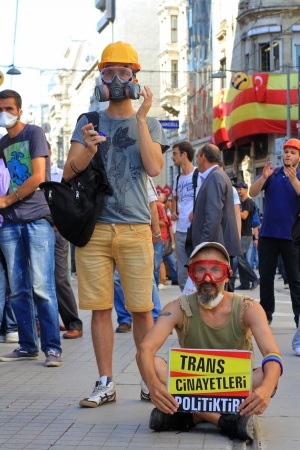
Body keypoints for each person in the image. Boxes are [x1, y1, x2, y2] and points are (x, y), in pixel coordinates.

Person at [63, 41, 169, 407]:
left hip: (136, 227)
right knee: (100, 308)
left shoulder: (151, 122)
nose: (117, 79)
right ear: (100, 78)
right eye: (109, 72)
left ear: (137, 77)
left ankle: (147, 379)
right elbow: (67, 171)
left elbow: (154, 168)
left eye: (124, 72)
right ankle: (105, 382)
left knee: (141, 308)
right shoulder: (88, 121)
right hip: (94, 230)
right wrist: (89, 150)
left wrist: (140, 118)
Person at [136, 242, 282, 441]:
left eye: (216, 270)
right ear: (191, 275)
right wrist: (153, 385)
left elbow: (273, 354)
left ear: (227, 274)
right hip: (192, 386)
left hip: (232, 388)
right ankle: (223, 421)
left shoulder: (248, 308)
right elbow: (145, 348)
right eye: (200, 271)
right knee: (154, 365)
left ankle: (192, 417)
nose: (207, 279)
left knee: (268, 375)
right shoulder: (177, 308)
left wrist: (265, 389)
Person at [0, 89, 62, 367]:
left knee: (42, 286)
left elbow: (38, 176)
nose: (5, 113)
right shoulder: (2, 144)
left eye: (10, 108)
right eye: (1, 109)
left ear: (20, 110)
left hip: (37, 218)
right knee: (17, 289)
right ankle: (27, 345)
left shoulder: (34, 133)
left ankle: (52, 348)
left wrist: (8, 199)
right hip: (10, 223)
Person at [249, 138, 300, 327]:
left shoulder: (299, 175)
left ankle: (299, 320)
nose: (288, 154)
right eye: (287, 151)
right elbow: (252, 193)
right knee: (267, 277)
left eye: (293, 152)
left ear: (299, 157)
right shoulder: (273, 173)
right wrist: (263, 177)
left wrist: (294, 179)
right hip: (268, 235)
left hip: (291, 238)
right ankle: (266, 316)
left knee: (295, 280)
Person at [192, 144, 241, 285]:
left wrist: (204, 245)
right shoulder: (218, 175)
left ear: (203, 157)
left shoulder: (215, 177)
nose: (196, 160)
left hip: (215, 245)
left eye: (197, 156)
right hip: (217, 244)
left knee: (216, 290)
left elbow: (213, 215)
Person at [48, 142, 83, 339]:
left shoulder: (63, 174)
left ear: (50, 153)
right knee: (37, 280)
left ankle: (74, 323)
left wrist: (61, 224)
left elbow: (72, 204)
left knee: (60, 278)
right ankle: (48, 322)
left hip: (57, 231)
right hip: (35, 229)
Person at [171, 141, 201, 291]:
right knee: (182, 271)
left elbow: (205, 198)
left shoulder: (198, 175)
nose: (172, 157)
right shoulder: (177, 178)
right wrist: (173, 210)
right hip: (180, 230)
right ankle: (186, 303)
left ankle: (198, 300)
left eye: (174, 153)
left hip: (194, 231)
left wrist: (197, 211)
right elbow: (174, 198)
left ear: (184, 155)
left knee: (196, 267)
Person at [234, 181, 260, 291]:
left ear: (246, 190)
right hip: (240, 233)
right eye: (238, 189)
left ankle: (254, 278)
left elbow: (244, 216)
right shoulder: (239, 202)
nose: (239, 191)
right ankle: (244, 283)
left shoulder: (248, 202)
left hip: (246, 233)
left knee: (239, 257)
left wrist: (233, 211)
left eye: (241, 189)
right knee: (241, 258)